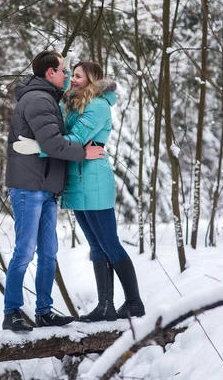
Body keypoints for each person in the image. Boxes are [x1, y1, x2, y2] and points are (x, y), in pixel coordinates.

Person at [13, 61, 145, 322]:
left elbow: (73, 139)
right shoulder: (74, 103)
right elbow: (59, 131)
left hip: (93, 180)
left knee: (110, 243)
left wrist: (39, 147)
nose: (72, 79)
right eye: (71, 75)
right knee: (96, 245)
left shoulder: (97, 106)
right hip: (78, 178)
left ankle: (134, 302)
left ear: (92, 80)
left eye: (78, 76)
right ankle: (105, 306)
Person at [3, 51, 105, 332]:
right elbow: (53, 144)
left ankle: (44, 311)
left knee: (48, 253)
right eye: (63, 70)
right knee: (24, 252)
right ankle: (11, 311)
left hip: (45, 187)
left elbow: (49, 144)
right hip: (28, 187)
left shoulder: (48, 99)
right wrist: (85, 153)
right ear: (50, 73)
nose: (68, 75)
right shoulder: (38, 100)